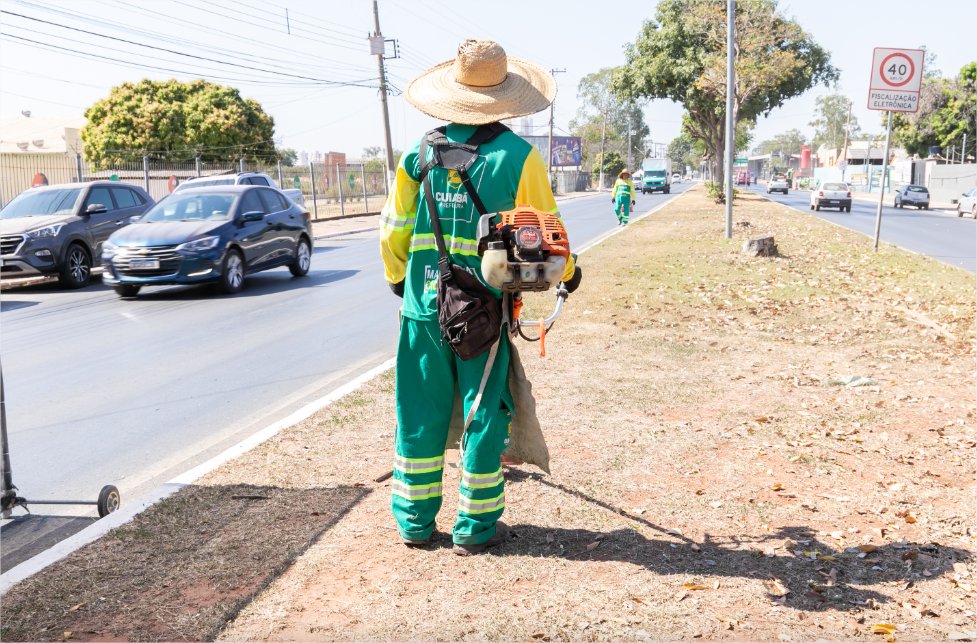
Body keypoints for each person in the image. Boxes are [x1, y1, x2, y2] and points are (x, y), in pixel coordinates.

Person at [379, 39, 581, 556]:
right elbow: (548, 234)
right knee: (482, 411)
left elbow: (394, 229)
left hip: (421, 309)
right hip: (483, 311)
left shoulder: (417, 155)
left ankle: (414, 522)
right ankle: (475, 527)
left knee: (417, 412)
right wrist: (570, 273)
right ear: (504, 96)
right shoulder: (518, 157)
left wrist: (399, 277)